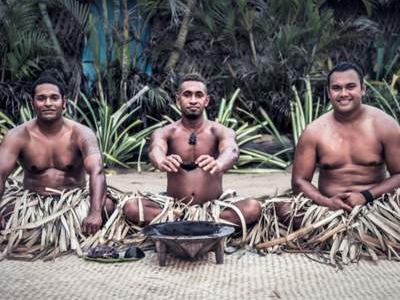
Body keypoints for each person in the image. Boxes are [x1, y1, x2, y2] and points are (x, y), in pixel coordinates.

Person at [257, 62, 400, 263]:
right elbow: (299, 182)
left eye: (350, 87)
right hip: (327, 211)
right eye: (336, 88)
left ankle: (354, 237)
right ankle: (346, 236)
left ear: (363, 89)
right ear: (328, 92)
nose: (343, 93)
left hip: (376, 209)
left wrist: (365, 196)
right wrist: (327, 202)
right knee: (276, 208)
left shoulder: (385, 125)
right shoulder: (315, 131)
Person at [123, 73, 262, 228]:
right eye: (187, 95)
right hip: (174, 208)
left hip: (213, 209)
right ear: (178, 100)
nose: (193, 100)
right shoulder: (166, 132)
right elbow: (155, 149)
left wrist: (219, 163)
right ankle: (194, 225)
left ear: (206, 100)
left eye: (199, 95)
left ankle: (187, 226)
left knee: (253, 208)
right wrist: (162, 161)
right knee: (131, 207)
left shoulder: (220, 131)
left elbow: (232, 150)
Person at [0, 74, 116, 258]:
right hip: (32, 202)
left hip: (73, 201)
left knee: (108, 205)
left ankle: (65, 231)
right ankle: (46, 235)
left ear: (64, 102)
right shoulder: (17, 135)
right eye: (41, 98)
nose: (48, 103)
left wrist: (94, 212)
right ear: (33, 103)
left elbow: (97, 171)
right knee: (5, 211)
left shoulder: (82, 134)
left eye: (54, 98)